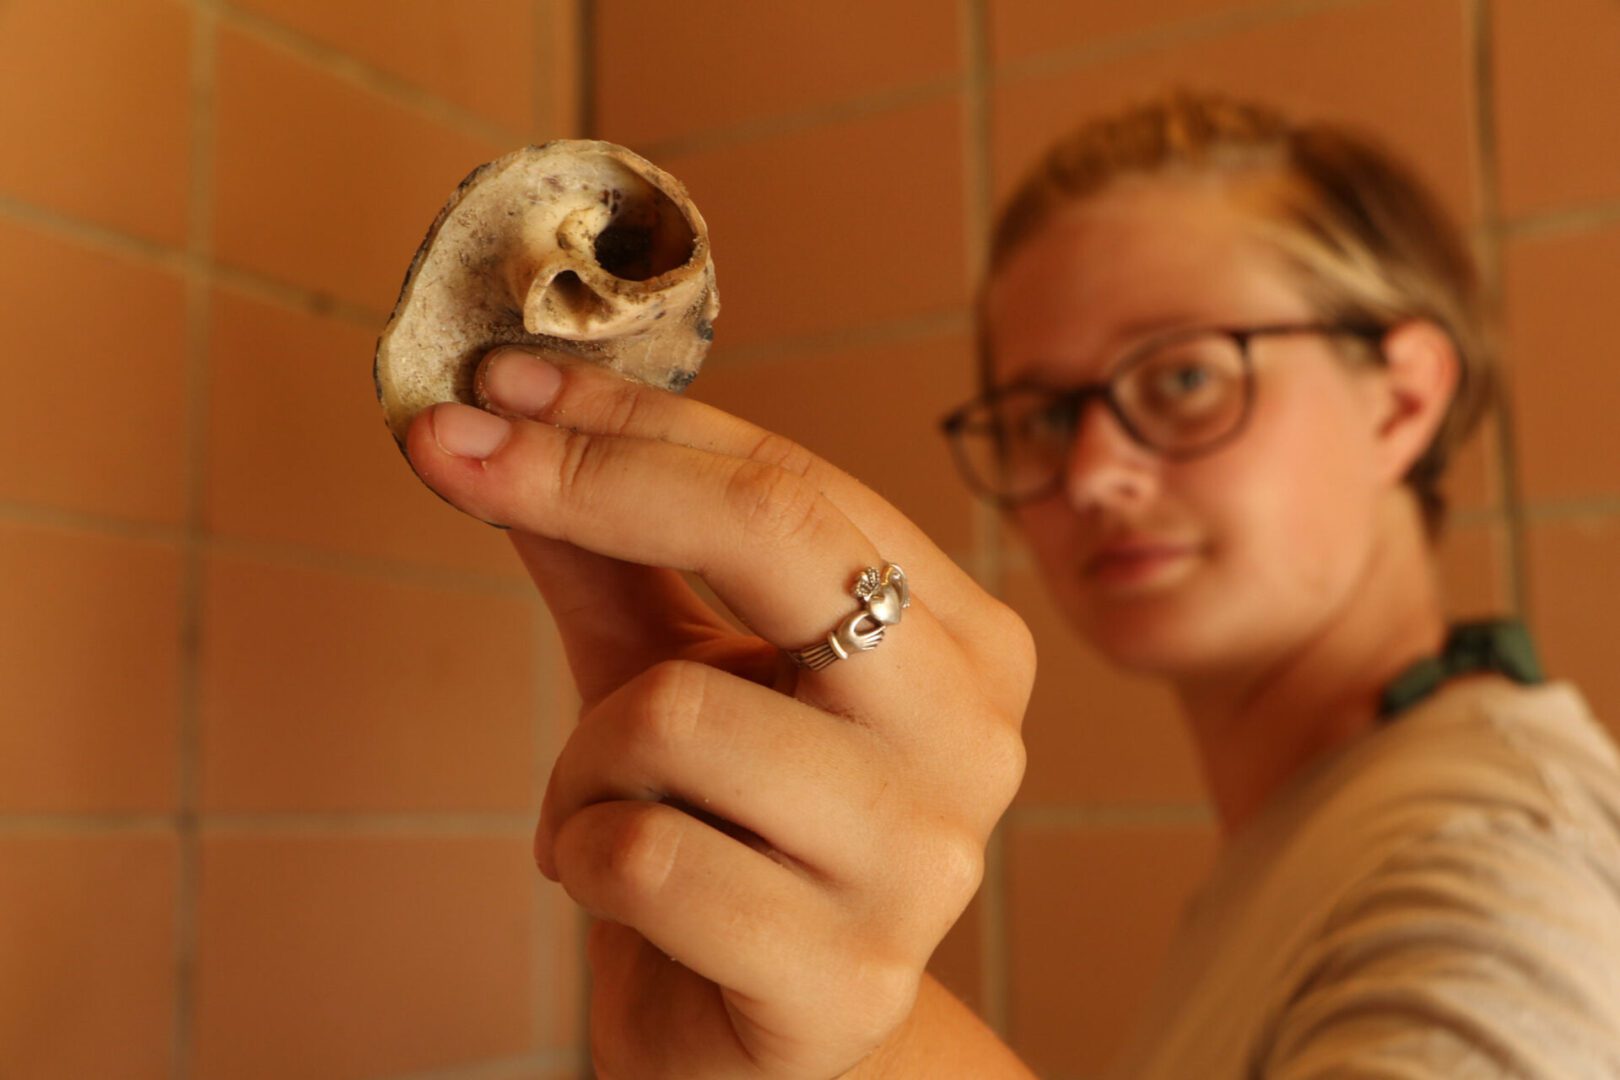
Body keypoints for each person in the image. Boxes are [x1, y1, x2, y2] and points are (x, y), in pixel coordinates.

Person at [404, 90, 1620, 1078]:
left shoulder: (1495, 860)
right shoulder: (1322, 830)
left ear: (1403, 399)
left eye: (1187, 380)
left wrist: (867, 1054)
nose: (1090, 472)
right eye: (1041, 414)